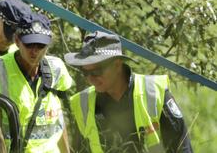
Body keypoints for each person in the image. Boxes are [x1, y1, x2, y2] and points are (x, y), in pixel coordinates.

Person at [64, 31, 193, 153]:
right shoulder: (83, 104)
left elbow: (182, 147)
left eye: (97, 71)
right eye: (85, 72)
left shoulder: (154, 93)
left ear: (117, 64)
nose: (91, 78)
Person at [0, 13, 74, 153]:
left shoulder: (57, 68)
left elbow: (58, 120)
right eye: (29, 44)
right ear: (17, 41)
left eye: (40, 45)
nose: (34, 51)